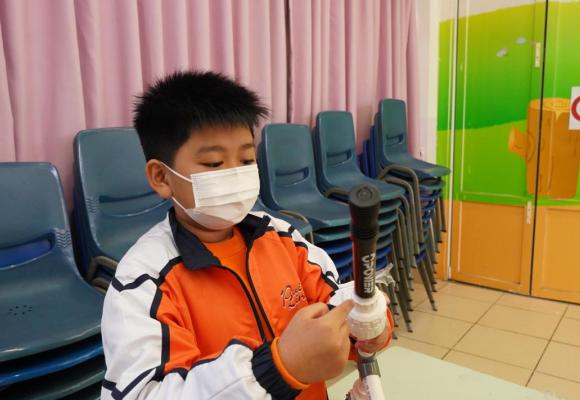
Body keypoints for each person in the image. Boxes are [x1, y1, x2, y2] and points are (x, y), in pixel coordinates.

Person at [100, 70, 392, 400]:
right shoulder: (144, 283)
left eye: (246, 159)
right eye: (214, 163)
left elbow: (333, 302)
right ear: (161, 177)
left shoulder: (284, 239)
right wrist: (278, 368)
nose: (235, 175)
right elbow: (144, 393)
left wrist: (366, 324)